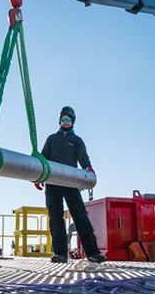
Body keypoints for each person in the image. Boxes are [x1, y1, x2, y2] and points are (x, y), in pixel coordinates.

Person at [38, 106, 106, 264]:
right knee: (55, 218)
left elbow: (83, 158)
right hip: (52, 182)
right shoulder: (51, 139)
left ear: (73, 121)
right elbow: (43, 158)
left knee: (80, 216)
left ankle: (93, 253)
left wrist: (89, 170)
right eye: (63, 119)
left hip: (70, 182)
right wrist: (38, 177)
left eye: (68, 119)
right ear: (59, 120)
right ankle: (61, 254)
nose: (65, 122)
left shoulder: (76, 140)